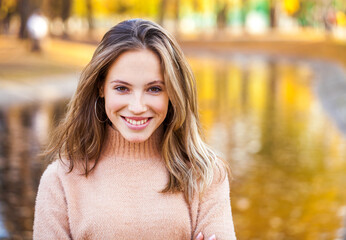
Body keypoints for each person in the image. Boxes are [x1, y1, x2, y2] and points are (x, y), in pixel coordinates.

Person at [33, 19, 236, 240]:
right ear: (101, 87)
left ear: (173, 93)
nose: (137, 107)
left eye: (154, 89)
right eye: (122, 88)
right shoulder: (60, 180)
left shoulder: (205, 174)